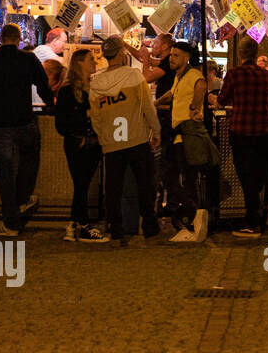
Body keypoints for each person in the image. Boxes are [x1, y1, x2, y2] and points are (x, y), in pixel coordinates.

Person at [0, 23, 54, 237]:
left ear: (0, 39)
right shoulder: (28, 59)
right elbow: (43, 85)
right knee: (30, 158)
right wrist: (52, 106)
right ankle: (23, 200)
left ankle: (11, 223)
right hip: (24, 121)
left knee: (5, 173)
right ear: (19, 40)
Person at [89, 36, 162, 245]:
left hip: (112, 143)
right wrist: (155, 131)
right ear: (122, 53)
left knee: (113, 188)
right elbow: (148, 107)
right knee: (145, 185)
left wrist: (104, 138)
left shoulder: (96, 83)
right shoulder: (133, 76)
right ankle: (149, 226)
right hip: (136, 139)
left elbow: (96, 118)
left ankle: (116, 228)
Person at [215, 37, 268, 237]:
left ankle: (253, 222)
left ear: (240, 54)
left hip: (241, 132)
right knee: (260, 175)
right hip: (264, 132)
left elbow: (222, 100)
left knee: (246, 177)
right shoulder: (267, 76)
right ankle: (259, 217)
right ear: (256, 54)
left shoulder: (234, 74)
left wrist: (215, 100)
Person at [156, 42, 210, 242]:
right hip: (178, 133)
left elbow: (202, 85)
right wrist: (157, 102)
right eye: (171, 55)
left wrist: (194, 107)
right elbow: (172, 93)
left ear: (186, 58)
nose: (171, 58)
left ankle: (192, 219)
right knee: (172, 173)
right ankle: (190, 214)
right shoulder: (179, 76)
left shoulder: (193, 74)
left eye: (176, 55)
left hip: (187, 132)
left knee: (185, 176)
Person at [54, 49, 106, 243]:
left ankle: (74, 224)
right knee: (82, 183)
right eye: (91, 60)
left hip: (94, 143)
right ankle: (82, 225)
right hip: (77, 143)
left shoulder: (94, 88)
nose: (95, 62)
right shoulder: (68, 91)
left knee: (82, 184)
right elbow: (61, 123)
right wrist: (86, 115)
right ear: (80, 64)